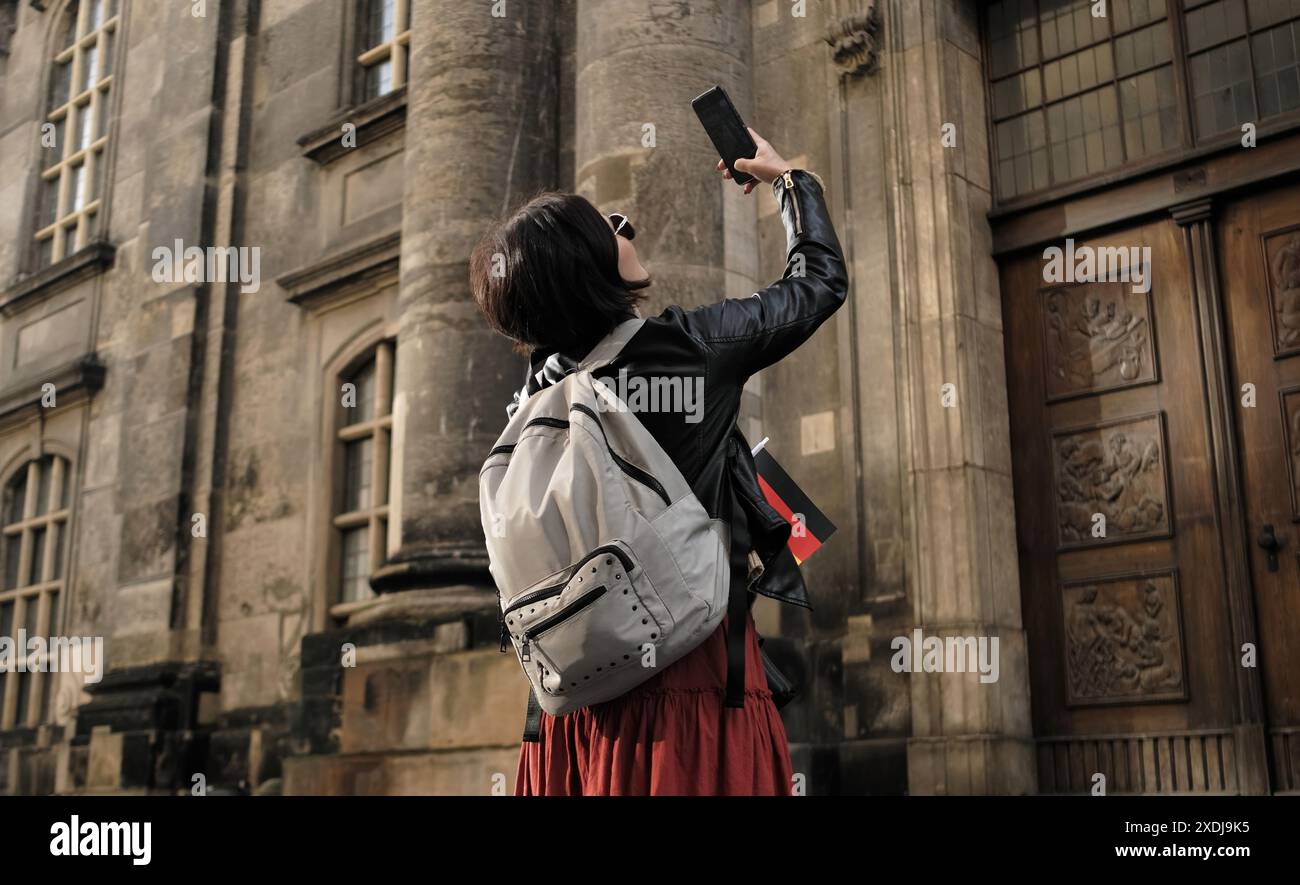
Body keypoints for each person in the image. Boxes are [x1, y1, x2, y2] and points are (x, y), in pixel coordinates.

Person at [469, 128, 849, 795]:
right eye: (608, 226)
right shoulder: (692, 348)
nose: (626, 226)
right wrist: (789, 180)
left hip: (574, 700)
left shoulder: (533, 398)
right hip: (691, 674)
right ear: (594, 269)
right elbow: (818, 282)